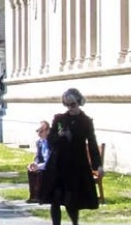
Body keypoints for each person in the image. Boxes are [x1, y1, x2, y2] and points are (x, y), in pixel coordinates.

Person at [38, 88, 102, 225]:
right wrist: (60, 136)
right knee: (55, 199)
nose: (70, 108)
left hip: (76, 164)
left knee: (72, 200)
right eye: (67, 105)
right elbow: (50, 140)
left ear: (79, 102)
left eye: (72, 104)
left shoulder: (86, 121)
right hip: (58, 164)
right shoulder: (60, 119)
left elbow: (92, 143)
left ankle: (75, 223)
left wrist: (98, 165)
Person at [27, 120, 51, 203]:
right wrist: (34, 163)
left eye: (41, 131)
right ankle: (33, 196)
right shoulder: (39, 142)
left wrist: (39, 166)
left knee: (40, 171)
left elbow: (51, 160)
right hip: (44, 164)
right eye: (37, 131)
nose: (39, 133)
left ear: (48, 131)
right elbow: (38, 157)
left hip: (53, 166)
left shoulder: (53, 142)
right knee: (31, 170)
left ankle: (40, 196)